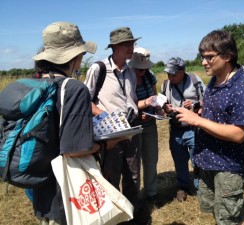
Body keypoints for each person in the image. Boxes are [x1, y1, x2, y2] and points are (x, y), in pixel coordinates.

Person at [175, 30, 244, 225]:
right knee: (218, 211)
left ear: (227, 56)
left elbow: (239, 134)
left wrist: (197, 121)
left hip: (229, 165)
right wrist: (199, 111)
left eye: (210, 57)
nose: (204, 62)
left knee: (230, 218)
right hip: (209, 159)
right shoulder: (215, 80)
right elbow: (219, 112)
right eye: (202, 57)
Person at [32, 21, 100, 225]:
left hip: (41, 189)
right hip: (66, 194)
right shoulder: (74, 89)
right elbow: (75, 149)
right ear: (74, 56)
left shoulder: (36, 83)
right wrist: (105, 144)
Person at [84, 27, 150, 224]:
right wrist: (104, 115)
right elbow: (86, 101)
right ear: (116, 47)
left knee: (133, 175)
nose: (132, 48)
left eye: (132, 43)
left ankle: (132, 214)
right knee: (110, 176)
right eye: (128, 44)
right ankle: (114, 217)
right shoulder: (99, 69)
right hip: (110, 134)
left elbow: (131, 99)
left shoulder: (131, 71)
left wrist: (138, 110)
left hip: (131, 131)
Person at [161, 57, 206, 202]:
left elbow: (207, 101)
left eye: (173, 74)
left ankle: (201, 188)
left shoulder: (195, 80)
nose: (170, 77)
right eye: (168, 74)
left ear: (183, 71)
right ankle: (183, 187)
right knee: (179, 161)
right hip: (175, 129)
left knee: (198, 159)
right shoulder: (166, 85)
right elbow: (161, 105)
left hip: (193, 129)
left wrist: (193, 105)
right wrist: (164, 108)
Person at [128, 47, 162, 204]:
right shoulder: (126, 77)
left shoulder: (150, 76)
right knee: (133, 165)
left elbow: (154, 97)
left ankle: (152, 193)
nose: (143, 71)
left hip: (149, 124)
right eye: (140, 69)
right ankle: (134, 197)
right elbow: (124, 103)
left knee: (151, 159)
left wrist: (159, 109)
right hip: (132, 126)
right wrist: (138, 111)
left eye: (145, 68)